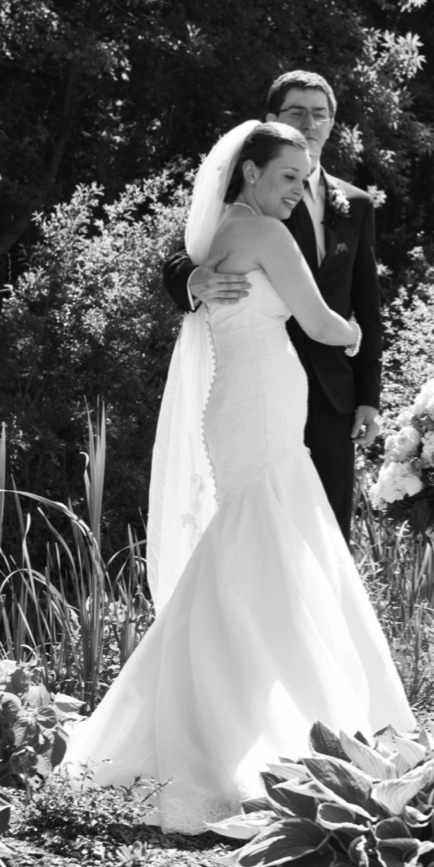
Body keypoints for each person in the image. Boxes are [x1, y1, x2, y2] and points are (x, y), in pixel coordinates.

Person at [67, 120, 413, 829]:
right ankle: (272, 721)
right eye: (288, 176)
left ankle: (234, 707)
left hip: (245, 396)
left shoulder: (221, 228)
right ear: (250, 173)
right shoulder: (262, 233)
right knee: (268, 541)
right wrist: (357, 332)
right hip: (261, 398)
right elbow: (320, 325)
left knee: (256, 544)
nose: (299, 189)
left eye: (306, 178)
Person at [160, 69, 384, 531]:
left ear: (332, 123)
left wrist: (369, 395)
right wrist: (194, 279)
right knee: (267, 519)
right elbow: (184, 252)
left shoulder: (356, 202)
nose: (310, 122)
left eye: (320, 114)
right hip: (263, 384)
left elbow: (367, 299)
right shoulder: (248, 196)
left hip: (331, 391)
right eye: (297, 111)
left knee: (327, 526)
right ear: (271, 118)